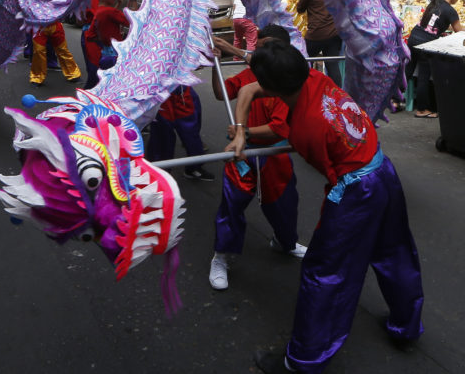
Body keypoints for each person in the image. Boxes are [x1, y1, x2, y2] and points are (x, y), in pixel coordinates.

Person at [227, 41, 424, 374]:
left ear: (274, 87)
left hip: (357, 190)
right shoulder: (317, 79)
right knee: (394, 250)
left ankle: (302, 361)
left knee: (325, 273)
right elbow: (248, 90)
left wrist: (241, 135)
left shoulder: (306, 127)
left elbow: (267, 115)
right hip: (382, 169)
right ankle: (406, 326)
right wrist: (242, 132)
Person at [208, 26, 306, 292]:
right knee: (232, 204)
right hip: (243, 153)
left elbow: (278, 128)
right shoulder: (248, 74)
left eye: (268, 47)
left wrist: (244, 130)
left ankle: (285, 243)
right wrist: (216, 64)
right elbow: (222, 93)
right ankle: (222, 255)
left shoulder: (288, 82)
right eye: (259, 45)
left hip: (274, 153)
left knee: (284, 204)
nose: (261, 52)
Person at [405, 0, 463, 117]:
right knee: (424, 76)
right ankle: (422, 109)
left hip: (414, 37)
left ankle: (394, 99)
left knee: (408, 70)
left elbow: (435, 22)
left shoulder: (434, 2)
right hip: (425, 44)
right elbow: (459, 31)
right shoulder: (450, 10)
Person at [146, 85, 214, 182]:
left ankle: (194, 167)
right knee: (162, 137)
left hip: (182, 92)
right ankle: (160, 172)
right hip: (159, 93)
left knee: (191, 133)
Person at [29, 0, 82, 86]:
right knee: (38, 52)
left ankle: (73, 74)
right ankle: (37, 77)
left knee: (62, 50)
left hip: (55, 26)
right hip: (39, 28)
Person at [84, 0, 138, 89]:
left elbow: (91, 34)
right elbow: (134, 20)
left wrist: (117, 5)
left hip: (104, 55)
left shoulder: (101, 10)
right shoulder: (108, 12)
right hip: (113, 58)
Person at [296, 0, 342, 86]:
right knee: (332, 66)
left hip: (315, 35)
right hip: (333, 34)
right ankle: (338, 94)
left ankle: (306, 88)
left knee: (304, 61)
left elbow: (300, 9)